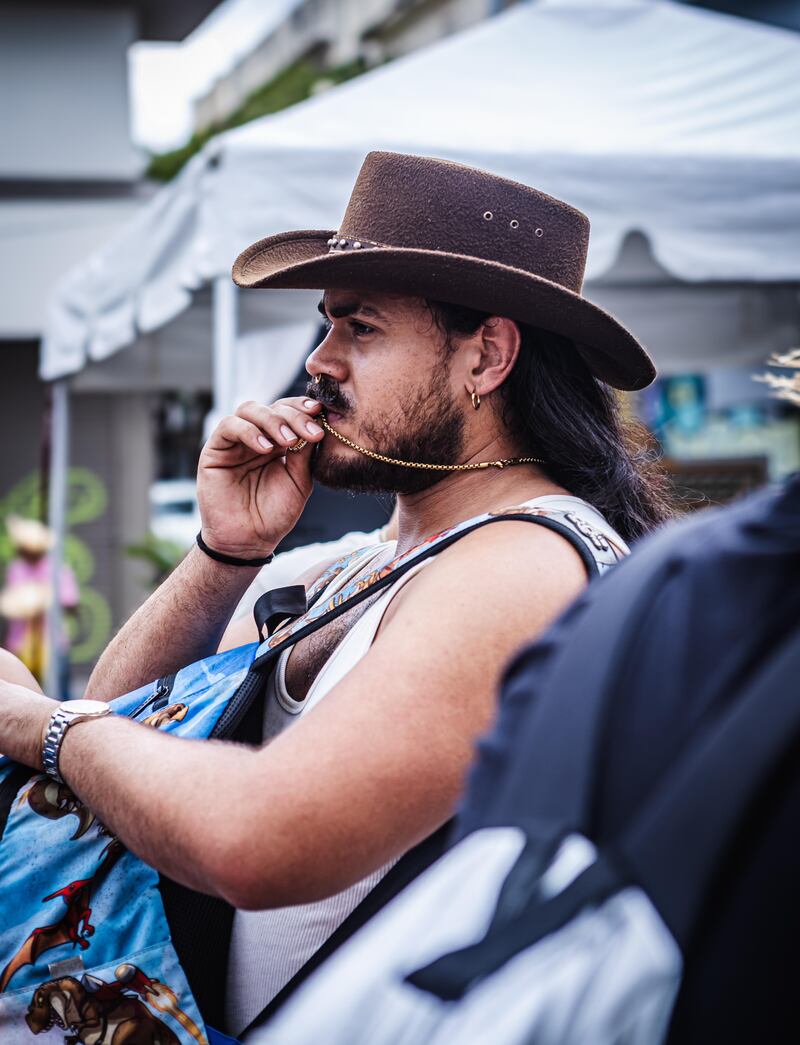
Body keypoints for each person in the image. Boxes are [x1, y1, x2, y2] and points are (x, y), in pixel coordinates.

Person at [0, 151, 672, 1036]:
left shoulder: (523, 561)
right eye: (327, 324)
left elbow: (259, 842)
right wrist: (227, 551)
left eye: (361, 327)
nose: (318, 362)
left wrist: (30, 721)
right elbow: (121, 716)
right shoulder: (363, 563)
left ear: (487, 356)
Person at [0, 515, 78, 695]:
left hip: (53, 643)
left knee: (60, 695)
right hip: (20, 644)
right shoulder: (16, 568)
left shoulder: (57, 569)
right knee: (22, 695)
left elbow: (71, 604)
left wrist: (44, 601)